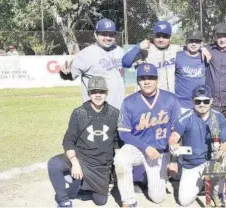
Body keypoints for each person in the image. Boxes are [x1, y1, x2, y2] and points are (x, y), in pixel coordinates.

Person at [114, 63, 181, 207]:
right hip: (138, 148)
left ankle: (150, 180)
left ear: (157, 79)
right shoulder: (128, 102)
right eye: (142, 78)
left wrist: (174, 159)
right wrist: (146, 147)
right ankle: (128, 200)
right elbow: (123, 133)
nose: (147, 81)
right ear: (137, 81)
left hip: (160, 153)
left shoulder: (170, 99)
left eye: (151, 78)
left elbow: (177, 130)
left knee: (158, 198)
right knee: (120, 158)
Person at [47, 76, 120, 207]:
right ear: (89, 93)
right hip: (82, 158)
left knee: (100, 201)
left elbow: (116, 141)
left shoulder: (114, 113)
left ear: (106, 93)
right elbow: (68, 139)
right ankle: (64, 200)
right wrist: (75, 162)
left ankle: (78, 183)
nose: (98, 95)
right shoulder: (79, 113)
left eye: (101, 91)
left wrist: (117, 165)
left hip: (101, 165)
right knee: (54, 164)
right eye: (94, 92)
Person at [167, 85, 226, 207]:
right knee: (184, 201)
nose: (202, 104)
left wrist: (223, 149)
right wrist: (173, 142)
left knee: (221, 187)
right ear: (192, 101)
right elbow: (174, 135)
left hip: (213, 161)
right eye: (198, 101)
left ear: (211, 101)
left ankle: (213, 188)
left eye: (206, 101)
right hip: (192, 164)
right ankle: (201, 184)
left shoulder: (219, 117)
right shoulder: (185, 117)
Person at [59, 18, 125, 110]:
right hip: (96, 112)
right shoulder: (85, 54)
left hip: (119, 109)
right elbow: (69, 76)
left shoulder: (120, 51)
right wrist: (65, 73)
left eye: (111, 35)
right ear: (95, 35)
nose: (108, 38)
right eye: (103, 34)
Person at [121, 21, 182, 93]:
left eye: (165, 36)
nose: (161, 39)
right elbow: (125, 63)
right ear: (153, 35)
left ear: (170, 38)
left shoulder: (176, 50)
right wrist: (138, 47)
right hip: (148, 97)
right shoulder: (146, 50)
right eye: (158, 35)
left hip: (169, 97)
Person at [205, 23, 226, 114]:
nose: (222, 40)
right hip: (212, 102)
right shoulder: (208, 49)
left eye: (225, 36)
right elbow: (191, 48)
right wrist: (201, 48)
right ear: (215, 37)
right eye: (219, 36)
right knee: (214, 127)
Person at [175, 30, 208, 113]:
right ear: (186, 42)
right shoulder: (178, 56)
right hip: (181, 104)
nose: (194, 44)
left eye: (197, 41)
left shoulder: (205, 57)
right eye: (191, 41)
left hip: (200, 103)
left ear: (201, 43)